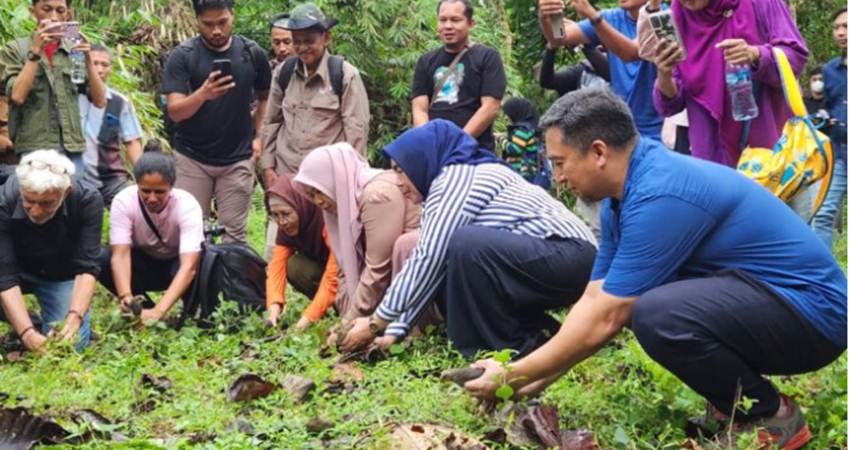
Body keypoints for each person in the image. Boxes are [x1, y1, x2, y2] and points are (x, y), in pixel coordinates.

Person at [463, 89, 846, 450]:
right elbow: (596, 297)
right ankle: (734, 404)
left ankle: (770, 416)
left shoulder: (660, 192)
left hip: (815, 316)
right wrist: (527, 380)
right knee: (642, 302)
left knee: (655, 312)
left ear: (598, 152)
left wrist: (513, 376)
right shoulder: (621, 197)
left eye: (560, 163)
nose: (558, 177)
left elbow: (608, 316)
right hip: (768, 302)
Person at [339, 119, 597, 358]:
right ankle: (538, 339)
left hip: (570, 255)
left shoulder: (457, 178)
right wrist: (396, 329)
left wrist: (375, 323)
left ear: (421, 161)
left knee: (465, 244)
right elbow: (435, 268)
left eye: (400, 170)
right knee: (455, 266)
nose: (398, 182)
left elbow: (428, 257)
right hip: (552, 259)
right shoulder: (447, 186)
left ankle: (508, 348)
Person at [259, 2, 370, 258]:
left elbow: (356, 131)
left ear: (326, 37)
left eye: (309, 40)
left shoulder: (344, 75)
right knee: (275, 251)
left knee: (332, 252)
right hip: (287, 177)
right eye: (297, 41)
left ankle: (331, 296)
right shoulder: (284, 73)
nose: (302, 47)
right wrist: (268, 168)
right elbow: (272, 121)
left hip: (326, 185)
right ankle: (268, 297)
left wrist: (350, 182)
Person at [162, 0, 272, 243]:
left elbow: (267, 98)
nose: (217, 31)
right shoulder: (183, 56)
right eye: (208, 24)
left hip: (237, 159)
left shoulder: (252, 53)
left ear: (232, 15)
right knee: (190, 232)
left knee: (234, 235)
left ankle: (230, 281)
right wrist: (203, 94)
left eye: (222, 22)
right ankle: (196, 281)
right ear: (197, 21)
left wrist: (259, 136)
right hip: (192, 158)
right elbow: (175, 111)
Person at [652, 0, 808, 166]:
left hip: (765, 152)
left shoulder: (761, 3)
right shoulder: (679, 15)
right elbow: (673, 103)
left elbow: (795, 57)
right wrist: (664, 73)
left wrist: (755, 54)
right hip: (710, 155)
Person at [294, 143, 420, 325]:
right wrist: (348, 317)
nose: (319, 201)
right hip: (388, 288)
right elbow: (343, 266)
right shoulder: (343, 199)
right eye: (311, 195)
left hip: (416, 285)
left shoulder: (376, 195)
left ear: (335, 178)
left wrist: (349, 323)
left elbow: (378, 269)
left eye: (319, 191)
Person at [0, 150, 104, 352]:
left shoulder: (87, 201)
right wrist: (27, 334)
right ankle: (28, 322)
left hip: (59, 275)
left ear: (65, 192)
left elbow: (87, 268)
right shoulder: (3, 202)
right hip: (14, 269)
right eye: (29, 201)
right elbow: (5, 277)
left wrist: (74, 318)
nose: (36, 211)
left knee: (71, 346)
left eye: (47, 203)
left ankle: (46, 321)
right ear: (21, 189)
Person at [0, 0, 107, 180]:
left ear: (68, 15)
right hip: (33, 147)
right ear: (32, 11)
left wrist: (88, 59)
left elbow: (100, 100)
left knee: (73, 201)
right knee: (39, 200)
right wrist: (35, 51)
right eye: (46, 9)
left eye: (60, 11)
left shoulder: (72, 50)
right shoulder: (16, 49)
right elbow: (17, 96)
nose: (54, 17)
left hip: (71, 147)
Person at [97, 152, 204, 323]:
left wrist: (159, 311)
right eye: (145, 191)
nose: (152, 198)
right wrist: (126, 295)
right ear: (136, 184)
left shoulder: (187, 205)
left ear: (171, 187)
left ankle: (189, 311)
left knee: (200, 262)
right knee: (101, 258)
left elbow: (188, 267)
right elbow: (120, 255)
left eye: (160, 192)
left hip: (176, 266)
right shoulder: (124, 201)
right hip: (143, 264)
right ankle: (139, 309)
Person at [538, 0, 663, 140]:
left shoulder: (664, 16)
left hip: (662, 129)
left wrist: (593, 17)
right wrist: (551, 16)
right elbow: (559, 38)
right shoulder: (611, 18)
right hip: (623, 128)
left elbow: (632, 53)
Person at [410, 0, 507, 150]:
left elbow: (491, 107)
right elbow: (419, 109)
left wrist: (459, 142)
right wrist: (428, 142)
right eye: (443, 20)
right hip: (435, 150)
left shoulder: (487, 57)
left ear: (471, 23)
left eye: (455, 20)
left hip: (475, 150)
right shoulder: (426, 61)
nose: (448, 26)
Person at [265, 174, 339, 331]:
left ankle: (342, 308)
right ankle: (326, 307)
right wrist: (274, 306)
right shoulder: (284, 228)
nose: (282, 222)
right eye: (275, 215)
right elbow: (276, 267)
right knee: (294, 266)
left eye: (286, 214)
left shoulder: (325, 219)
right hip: (322, 267)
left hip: (347, 273)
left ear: (301, 205)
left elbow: (334, 274)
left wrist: (307, 319)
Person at [79, 43, 143, 207]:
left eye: (104, 64)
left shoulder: (120, 102)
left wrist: (144, 178)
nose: (99, 69)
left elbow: (132, 142)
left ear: (110, 69)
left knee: (131, 207)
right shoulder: (70, 98)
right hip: (75, 176)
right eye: (94, 63)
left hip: (111, 179)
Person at [811, 8, 847, 248]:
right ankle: (823, 280)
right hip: (839, 154)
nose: (841, 32)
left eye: (846, 26)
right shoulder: (829, 71)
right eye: (837, 27)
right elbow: (823, 110)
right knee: (822, 215)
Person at [539, 44, 610, 96]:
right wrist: (550, 49)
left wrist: (585, 45)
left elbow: (607, 71)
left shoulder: (618, 70)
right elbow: (548, 82)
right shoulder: (582, 70)